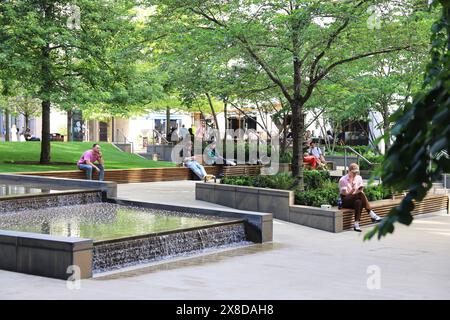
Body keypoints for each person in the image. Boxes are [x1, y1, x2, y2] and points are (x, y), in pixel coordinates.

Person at [339, 163, 381, 232]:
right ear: (349, 171)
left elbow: (361, 190)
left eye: (356, 172)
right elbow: (345, 194)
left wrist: (357, 192)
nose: (355, 174)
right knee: (360, 195)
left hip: (355, 197)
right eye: (353, 172)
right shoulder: (343, 180)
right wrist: (352, 191)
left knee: (359, 201)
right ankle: (371, 213)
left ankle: (356, 224)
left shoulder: (359, 178)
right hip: (346, 200)